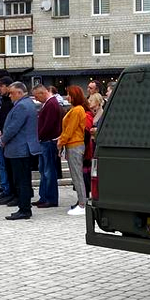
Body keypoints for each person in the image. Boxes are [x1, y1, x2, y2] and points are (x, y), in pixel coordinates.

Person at [0, 82, 41, 220]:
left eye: (12, 93)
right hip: (22, 148)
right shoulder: (27, 104)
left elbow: (13, 128)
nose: (9, 95)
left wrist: (3, 139)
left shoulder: (22, 106)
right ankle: (24, 207)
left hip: (20, 149)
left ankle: (24, 209)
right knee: (23, 180)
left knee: (21, 181)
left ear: (19, 92)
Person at [59, 86, 91, 216]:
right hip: (73, 145)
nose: (67, 97)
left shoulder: (77, 110)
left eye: (69, 95)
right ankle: (82, 202)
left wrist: (60, 142)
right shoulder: (75, 109)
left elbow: (70, 129)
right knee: (76, 175)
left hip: (75, 145)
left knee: (77, 175)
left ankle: (82, 204)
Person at [32, 84, 61, 208]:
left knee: (49, 172)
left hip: (48, 141)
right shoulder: (50, 104)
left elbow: (48, 125)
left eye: (36, 96)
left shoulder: (51, 104)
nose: (36, 99)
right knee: (44, 170)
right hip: (45, 141)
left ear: (42, 93)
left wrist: (38, 136)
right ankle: (44, 196)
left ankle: (51, 198)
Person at [0, 77, 14, 202]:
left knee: (5, 165)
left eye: (1, 86)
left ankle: (8, 189)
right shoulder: (2, 100)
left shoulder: (10, 102)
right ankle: (5, 187)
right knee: (1, 164)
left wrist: (0, 131)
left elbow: (8, 120)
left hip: (5, 137)